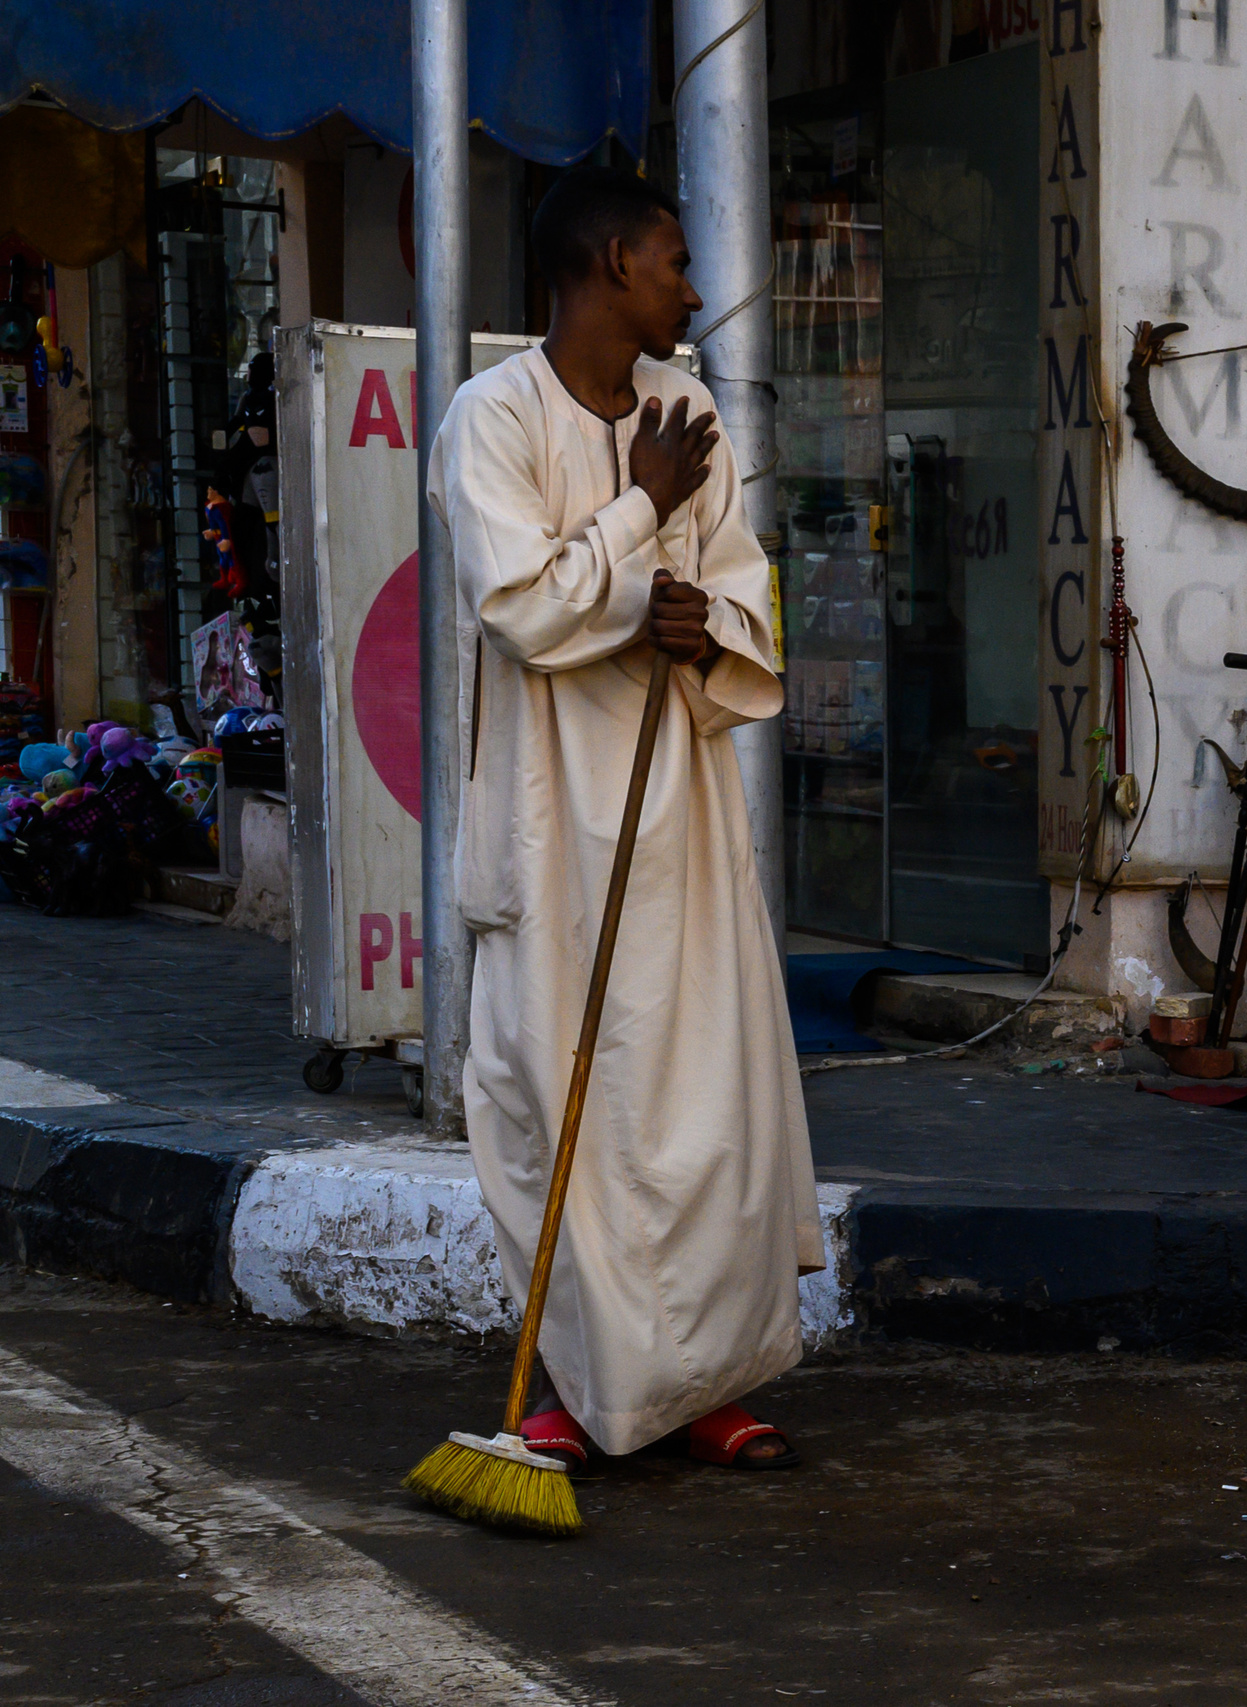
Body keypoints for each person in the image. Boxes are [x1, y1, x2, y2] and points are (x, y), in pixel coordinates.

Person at [426, 166, 817, 1473]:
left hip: (683, 817)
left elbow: (739, 581)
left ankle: (708, 1383)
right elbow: (526, 607)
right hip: (552, 825)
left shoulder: (689, 409)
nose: (694, 290)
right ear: (607, 265)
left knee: (708, 1104)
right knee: (569, 1109)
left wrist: (710, 624)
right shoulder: (489, 418)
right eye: (673, 261)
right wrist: (640, 503)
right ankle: (586, 1389)